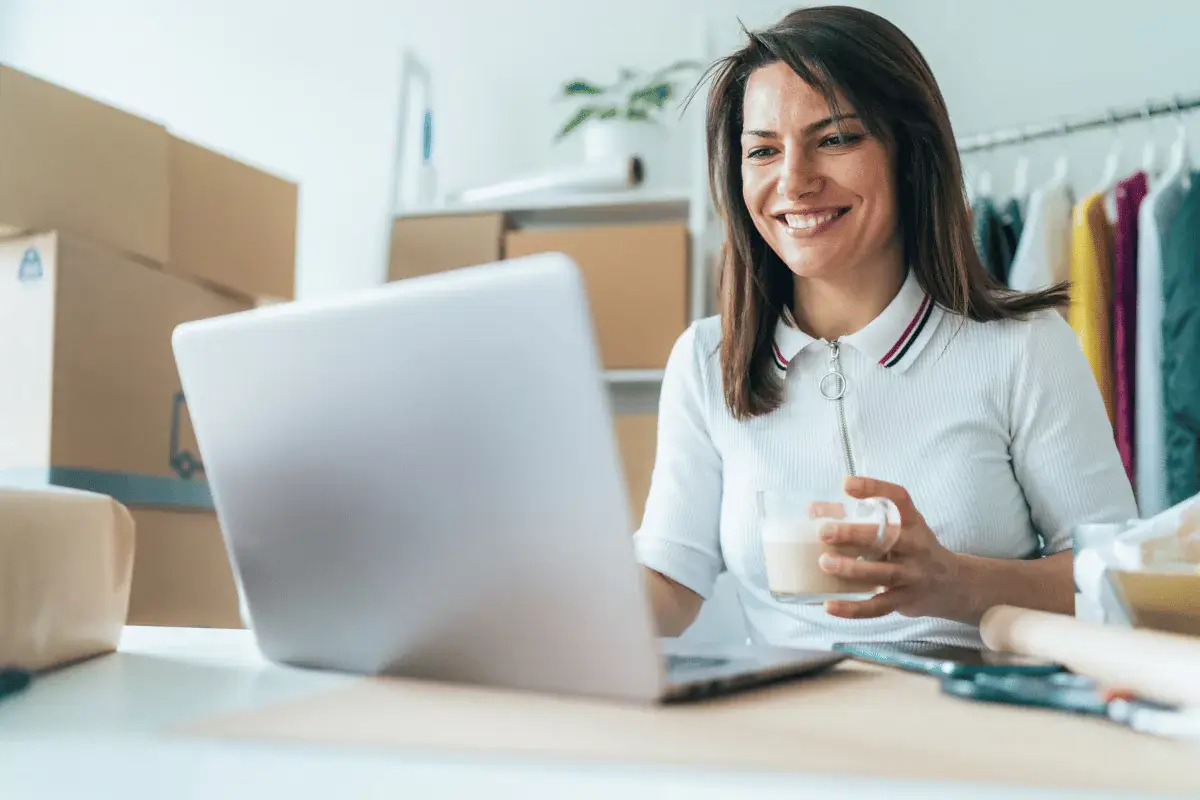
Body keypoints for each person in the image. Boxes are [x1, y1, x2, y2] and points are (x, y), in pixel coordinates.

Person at [634, 5, 1137, 649]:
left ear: (909, 153)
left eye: (837, 138)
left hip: (973, 725)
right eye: (763, 150)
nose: (794, 180)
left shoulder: (1024, 345)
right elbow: (669, 586)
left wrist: (956, 581)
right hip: (787, 729)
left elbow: (1115, 582)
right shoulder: (707, 359)